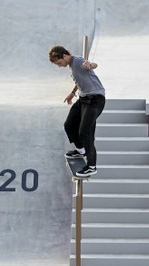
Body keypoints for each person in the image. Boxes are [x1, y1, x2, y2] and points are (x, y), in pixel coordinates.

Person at [49, 45, 106, 177]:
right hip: (83, 98)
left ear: (64, 56)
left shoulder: (78, 61)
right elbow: (79, 79)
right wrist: (72, 93)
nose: (59, 66)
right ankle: (80, 150)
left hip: (95, 100)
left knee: (85, 132)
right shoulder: (71, 65)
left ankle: (91, 166)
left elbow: (93, 65)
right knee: (69, 125)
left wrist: (90, 65)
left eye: (59, 63)